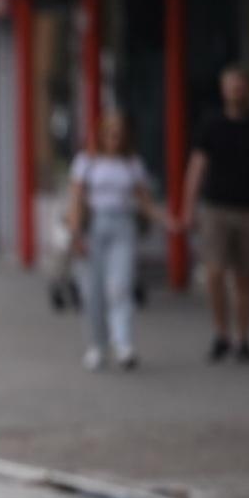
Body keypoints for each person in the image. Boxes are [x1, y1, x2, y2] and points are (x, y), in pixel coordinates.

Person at [182, 65, 249, 363]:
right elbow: (197, 167)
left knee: (246, 277)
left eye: (240, 86)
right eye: (230, 86)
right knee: (214, 272)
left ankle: (244, 338)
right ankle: (221, 334)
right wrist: (188, 206)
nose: (236, 91)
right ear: (222, 90)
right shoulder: (211, 125)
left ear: (248, 88)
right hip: (216, 208)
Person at [67, 112, 177, 370]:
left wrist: (167, 220)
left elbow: (144, 201)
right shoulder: (87, 162)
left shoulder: (132, 164)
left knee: (120, 285)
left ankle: (124, 344)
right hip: (95, 226)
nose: (114, 136)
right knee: (93, 291)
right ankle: (97, 345)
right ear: (101, 134)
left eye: (118, 131)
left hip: (123, 226)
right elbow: (76, 199)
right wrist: (75, 234)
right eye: (109, 131)